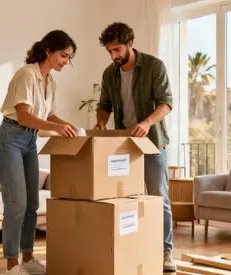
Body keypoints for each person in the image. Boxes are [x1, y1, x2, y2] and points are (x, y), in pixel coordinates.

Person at [94, 22, 176, 273]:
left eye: (117, 50)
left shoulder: (154, 66)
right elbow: (104, 104)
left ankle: (165, 252)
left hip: (151, 143)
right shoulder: (110, 73)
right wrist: (100, 121)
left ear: (130, 43)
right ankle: (129, 247)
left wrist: (147, 122)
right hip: (123, 145)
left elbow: (166, 103)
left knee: (158, 197)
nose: (114, 56)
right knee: (123, 199)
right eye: (109, 51)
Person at [0, 30, 77, 275]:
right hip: (10, 138)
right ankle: (11, 264)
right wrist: (55, 127)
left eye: (69, 58)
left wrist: (69, 126)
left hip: (30, 141)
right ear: (48, 51)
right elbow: (23, 115)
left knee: (32, 203)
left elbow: (48, 114)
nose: (66, 62)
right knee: (16, 203)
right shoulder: (26, 74)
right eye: (63, 55)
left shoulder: (50, 81)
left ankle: (28, 258)